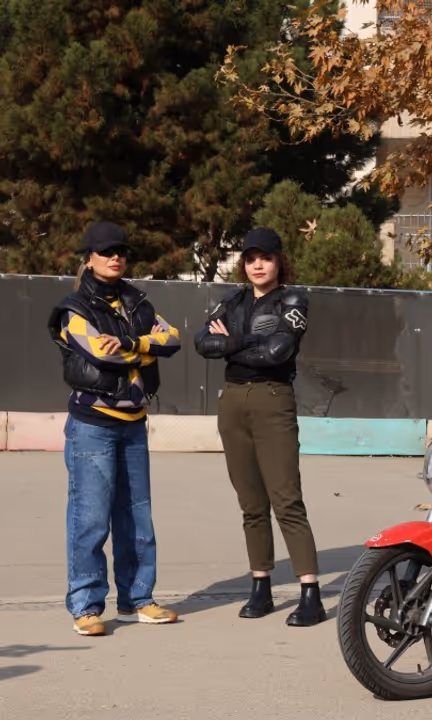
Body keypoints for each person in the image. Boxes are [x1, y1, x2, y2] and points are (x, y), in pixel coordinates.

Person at [47, 222, 183, 636]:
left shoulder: (138, 302)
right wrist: (144, 347)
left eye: (121, 251)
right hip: (92, 426)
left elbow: (173, 338)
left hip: (134, 426)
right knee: (90, 519)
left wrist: (131, 344)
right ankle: (86, 606)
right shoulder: (74, 308)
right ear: (89, 257)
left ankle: (138, 600)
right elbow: (96, 354)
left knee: (137, 517)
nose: (115, 257)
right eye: (106, 251)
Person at [193, 228, 323, 627]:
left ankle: (310, 593)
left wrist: (231, 342)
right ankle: (261, 585)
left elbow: (277, 351)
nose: (257, 265)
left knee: (286, 498)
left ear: (279, 260)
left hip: (272, 399)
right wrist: (242, 341)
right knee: (250, 503)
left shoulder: (293, 299)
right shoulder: (232, 300)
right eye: (250, 258)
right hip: (232, 401)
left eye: (265, 257)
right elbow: (202, 343)